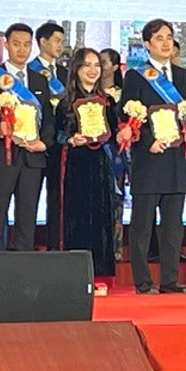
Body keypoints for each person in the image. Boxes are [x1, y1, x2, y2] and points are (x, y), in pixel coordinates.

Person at [119, 18, 186, 294]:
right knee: (143, 224)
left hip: (177, 159)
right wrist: (148, 141)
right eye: (159, 38)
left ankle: (169, 280)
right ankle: (142, 281)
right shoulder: (136, 76)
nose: (166, 43)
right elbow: (127, 114)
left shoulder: (185, 76)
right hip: (149, 159)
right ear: (147, 44)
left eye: (169, 37)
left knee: (173, 225)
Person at [0, 23, 56, 253]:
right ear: (6, 45)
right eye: (16, 44)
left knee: (28, 215)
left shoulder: (40, 80)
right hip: (3, 155)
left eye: (26, 45)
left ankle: (24, 264)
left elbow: (48, 119)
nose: (22, 49)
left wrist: (44, 143)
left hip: (32, 157)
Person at [58, 47, 120, 293]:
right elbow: (57, 135)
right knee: (78, 217)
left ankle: (100, 274)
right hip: (76, 163)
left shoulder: (108, 102)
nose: (93, 70)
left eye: (97, 65)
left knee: (102, 218)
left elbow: (113, 133)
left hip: (101, 163)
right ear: (76, 69)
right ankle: (77, 276)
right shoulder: (65, 102)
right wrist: (71, 139)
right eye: (87, 65)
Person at [30, 21, 68, 250]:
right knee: (29, 198)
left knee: (57, 198)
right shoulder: (28, 71)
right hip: (33, 143)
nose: (60, 46)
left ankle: (55, 246)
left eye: (62, 41)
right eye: (56, 41)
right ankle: (28, 246)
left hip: (58, 144)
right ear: (43, 42)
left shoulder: (64, 74)